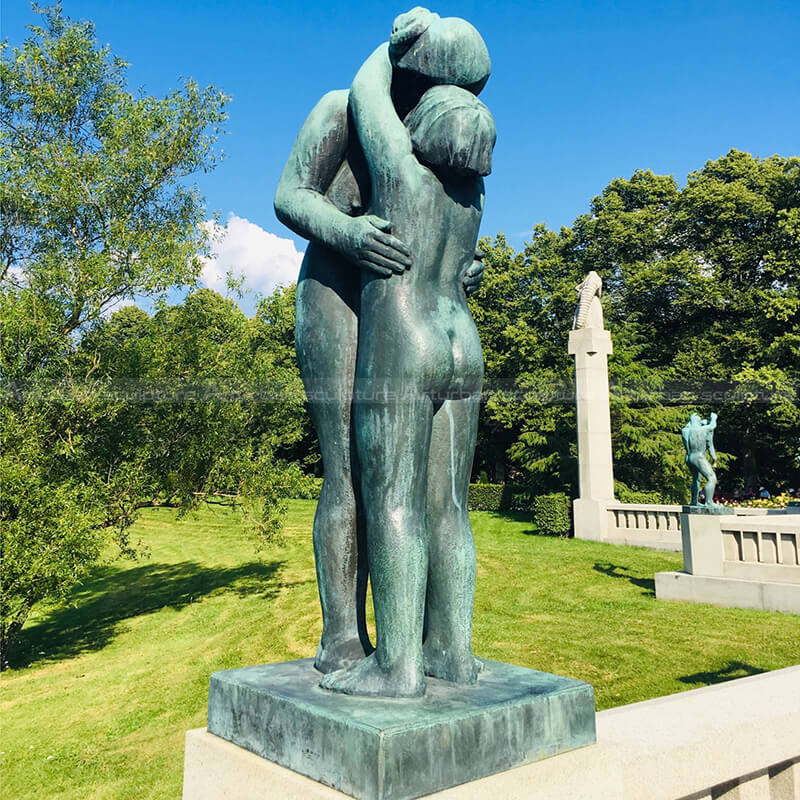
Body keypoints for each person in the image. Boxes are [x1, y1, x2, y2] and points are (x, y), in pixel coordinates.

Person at [273, 8, 491, 674]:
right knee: (348, 473)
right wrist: (348, 233)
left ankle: (422, 650)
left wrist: (459, 267)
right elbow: (289, 195)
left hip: (403, 310)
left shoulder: (428, 144)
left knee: (415, 490)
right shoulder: (342, 108)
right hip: (337, 294)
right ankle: (343, 634)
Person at [681, 412, 720, 507]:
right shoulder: (703, 429)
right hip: (699, 457)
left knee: (696, 479)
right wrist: (714, 417)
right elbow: (712, 426)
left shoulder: (686, 431)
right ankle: (709, 502)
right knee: (711, 478)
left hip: (689, 457)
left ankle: (694, 501)